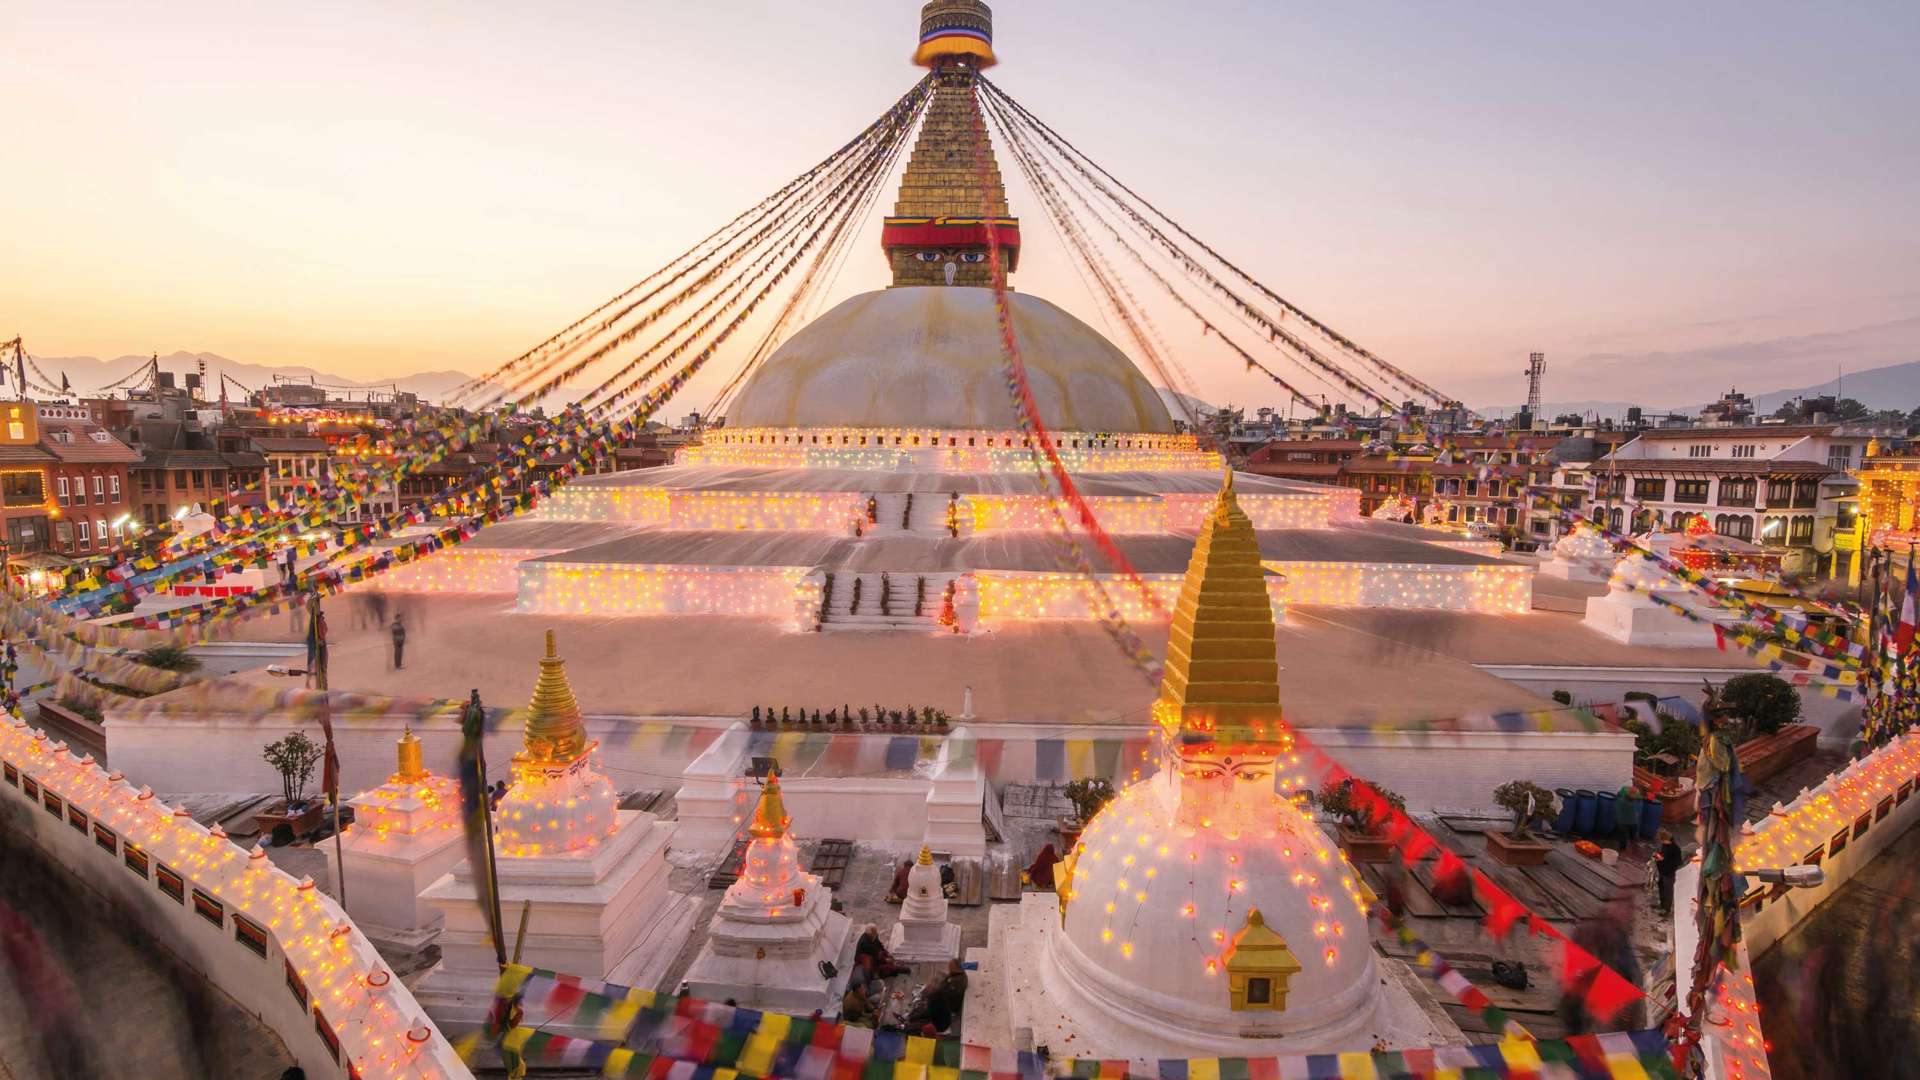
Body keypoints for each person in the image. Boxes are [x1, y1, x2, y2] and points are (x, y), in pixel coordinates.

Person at [1656, 831, 1685, 916]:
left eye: (1663, 841)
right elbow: (1662, 854)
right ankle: (1662, 904)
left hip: (1669, 873)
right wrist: (1657, 856)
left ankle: (1667, 909)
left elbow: (1678, 862)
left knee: (1668, 891)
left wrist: (1663, 860)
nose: (1662, 842)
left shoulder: (1676, 849)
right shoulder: (1665, 845)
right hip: (1662, 871)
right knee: (1661, 887)